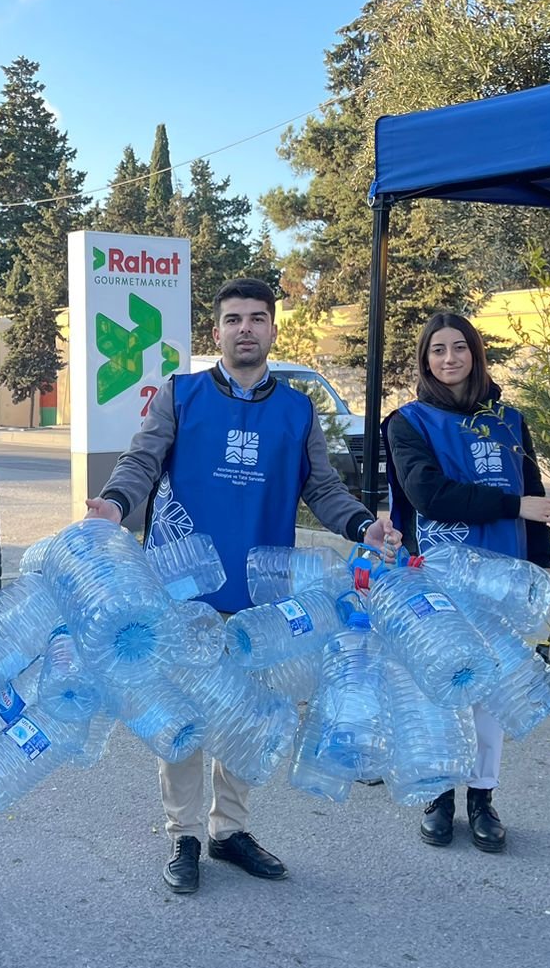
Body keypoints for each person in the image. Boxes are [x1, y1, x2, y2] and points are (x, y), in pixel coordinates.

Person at [86, 277, 398, 895]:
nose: (246, 329)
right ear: (217, 331)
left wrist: (365, 525)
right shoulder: (182, 394)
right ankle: (184, 835)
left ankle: (230, 829)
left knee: (246, 713)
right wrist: (116, 505)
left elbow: (324, 489)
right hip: (182, 588)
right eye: (234, 319)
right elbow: (142, 461)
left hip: (262, 596)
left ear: (272, 329)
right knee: (182, 714)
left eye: (257, 318)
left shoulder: (297, 409)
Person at [383, 310, 550, 854]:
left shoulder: (509, 420)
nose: (449, 359)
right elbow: (428, 494)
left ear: (475, 354)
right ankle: (439, 796)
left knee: (490, 692)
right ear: (425, 360)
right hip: (437, 580)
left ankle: (482, 798)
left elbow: (532, 494)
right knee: (443, 688)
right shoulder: (407, 422)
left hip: (506, 577)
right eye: (437, 350)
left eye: (459, 348)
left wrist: (546, 563)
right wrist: (517, 504)